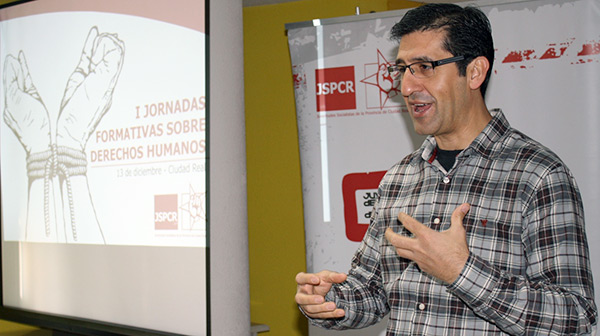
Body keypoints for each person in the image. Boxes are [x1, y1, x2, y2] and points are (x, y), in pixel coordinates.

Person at [295, 3, 598, 335]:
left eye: (424, 66)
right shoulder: (399, 179)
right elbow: (371, 292)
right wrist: (329, 299)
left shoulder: (538, 175)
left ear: (475, 72)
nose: (407, 87)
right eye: (403, 69)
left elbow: (575, 317)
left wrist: (461, 271)